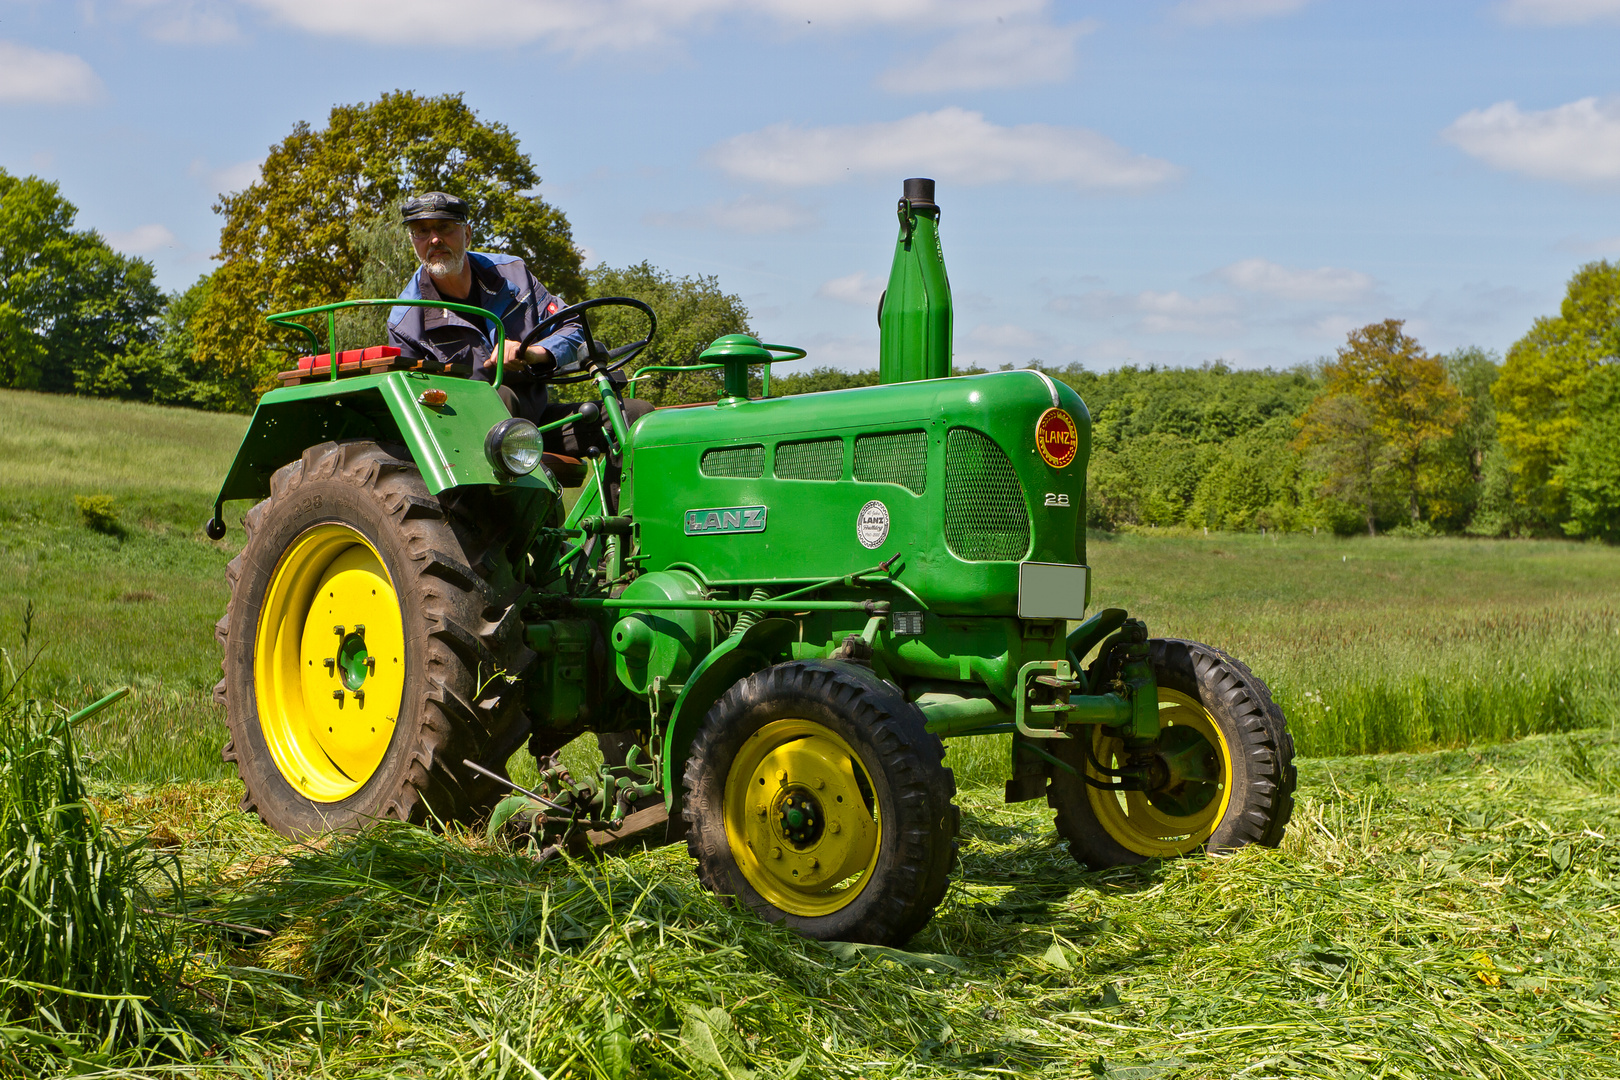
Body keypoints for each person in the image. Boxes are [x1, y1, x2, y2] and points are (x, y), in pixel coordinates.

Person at [387, 191, 584, 427]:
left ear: (467, 234)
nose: (435, 239)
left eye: (445, 227)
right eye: (422, 231)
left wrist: (533, 351)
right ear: (413, 241)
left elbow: (574, 326)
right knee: (500, 398)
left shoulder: (514, 276)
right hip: (469, 433)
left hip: (538, 418)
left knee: (631, 415)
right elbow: (414, 403)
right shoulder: (406, 322)